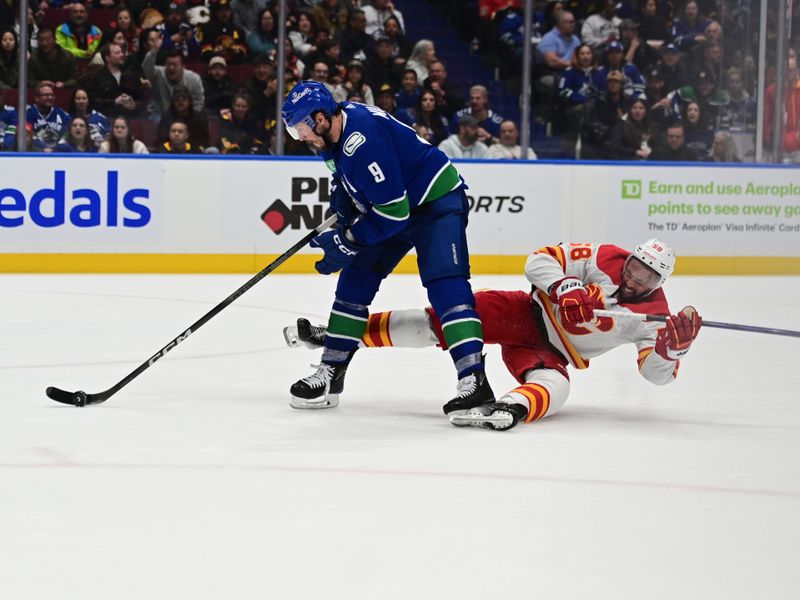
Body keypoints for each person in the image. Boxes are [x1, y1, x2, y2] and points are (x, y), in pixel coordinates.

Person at [284, 239, 702, 431]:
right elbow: (540, 259)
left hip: (552, 351)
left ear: (658, 281)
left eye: (645, 275)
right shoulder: (605, 257)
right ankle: (340, 336)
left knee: (556, 386)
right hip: (522, 309)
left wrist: (669, 351)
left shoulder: (655, 317)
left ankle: (511, 409)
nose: (633, 276)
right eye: (634, 266)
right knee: (437, 322)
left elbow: (657, 375)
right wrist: (564, 286)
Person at [281, 81, 493, 414]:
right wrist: (344, 208)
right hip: (396, 204)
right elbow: (344, 178)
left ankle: (475, 382)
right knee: (355, 277)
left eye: (301, 129)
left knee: (445, 285)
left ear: (320, 118)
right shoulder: (332, 135)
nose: (301, 136)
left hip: (434, 201)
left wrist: (349, 239)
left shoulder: (361, 141)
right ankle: (332, 372)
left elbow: (394, 214)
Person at [143, 38, 205, 118]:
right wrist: (153, 52)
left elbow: (199, 103)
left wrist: (190, 118)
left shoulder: (194, 79)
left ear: (183, 66)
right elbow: (146, 68)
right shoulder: (159, 73)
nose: (171, 68)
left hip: (186, 116)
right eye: (168, 64)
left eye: (174, 65)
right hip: (160, 115)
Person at [83, 42, 144, 117]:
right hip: (106, 117)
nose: (122, 55)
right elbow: (92, 101)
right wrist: (114, 102)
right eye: (117, 53)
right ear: (107, 58)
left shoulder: (131, 75)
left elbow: (142, 99)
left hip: (129, 117)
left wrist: (134, 105)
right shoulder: (96, 76)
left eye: (121, 52)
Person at [156, 84, 210, 149]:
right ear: (173, 102)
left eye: (183, 99)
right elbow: (162, 139)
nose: (180, 102)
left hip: (195, 151)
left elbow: (205, 139)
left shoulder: (198, 117)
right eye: (177, 99)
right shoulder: (167, 117)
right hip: (171, 151)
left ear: (189, 101)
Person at [198, 0, 248, 64]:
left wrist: (237, 51)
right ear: (216, 13)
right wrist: (214, 52)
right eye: (221, 11)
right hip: (214, 65)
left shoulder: (238, 30)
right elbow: (204, 51)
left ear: (231, 12)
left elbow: (244, 51)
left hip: (233, 65)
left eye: (227, 10)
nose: (224, 14)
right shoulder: (207, 29)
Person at [26, 82, 71, 151]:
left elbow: (69, 132)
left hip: (58, 151)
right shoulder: (29, 112)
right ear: (37, 98)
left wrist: (57, 148)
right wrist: (43, 148)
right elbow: (27, 134)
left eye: (52, 95)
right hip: (36, 152)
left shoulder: (61, 113)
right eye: (46, 95)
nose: (50, 97)